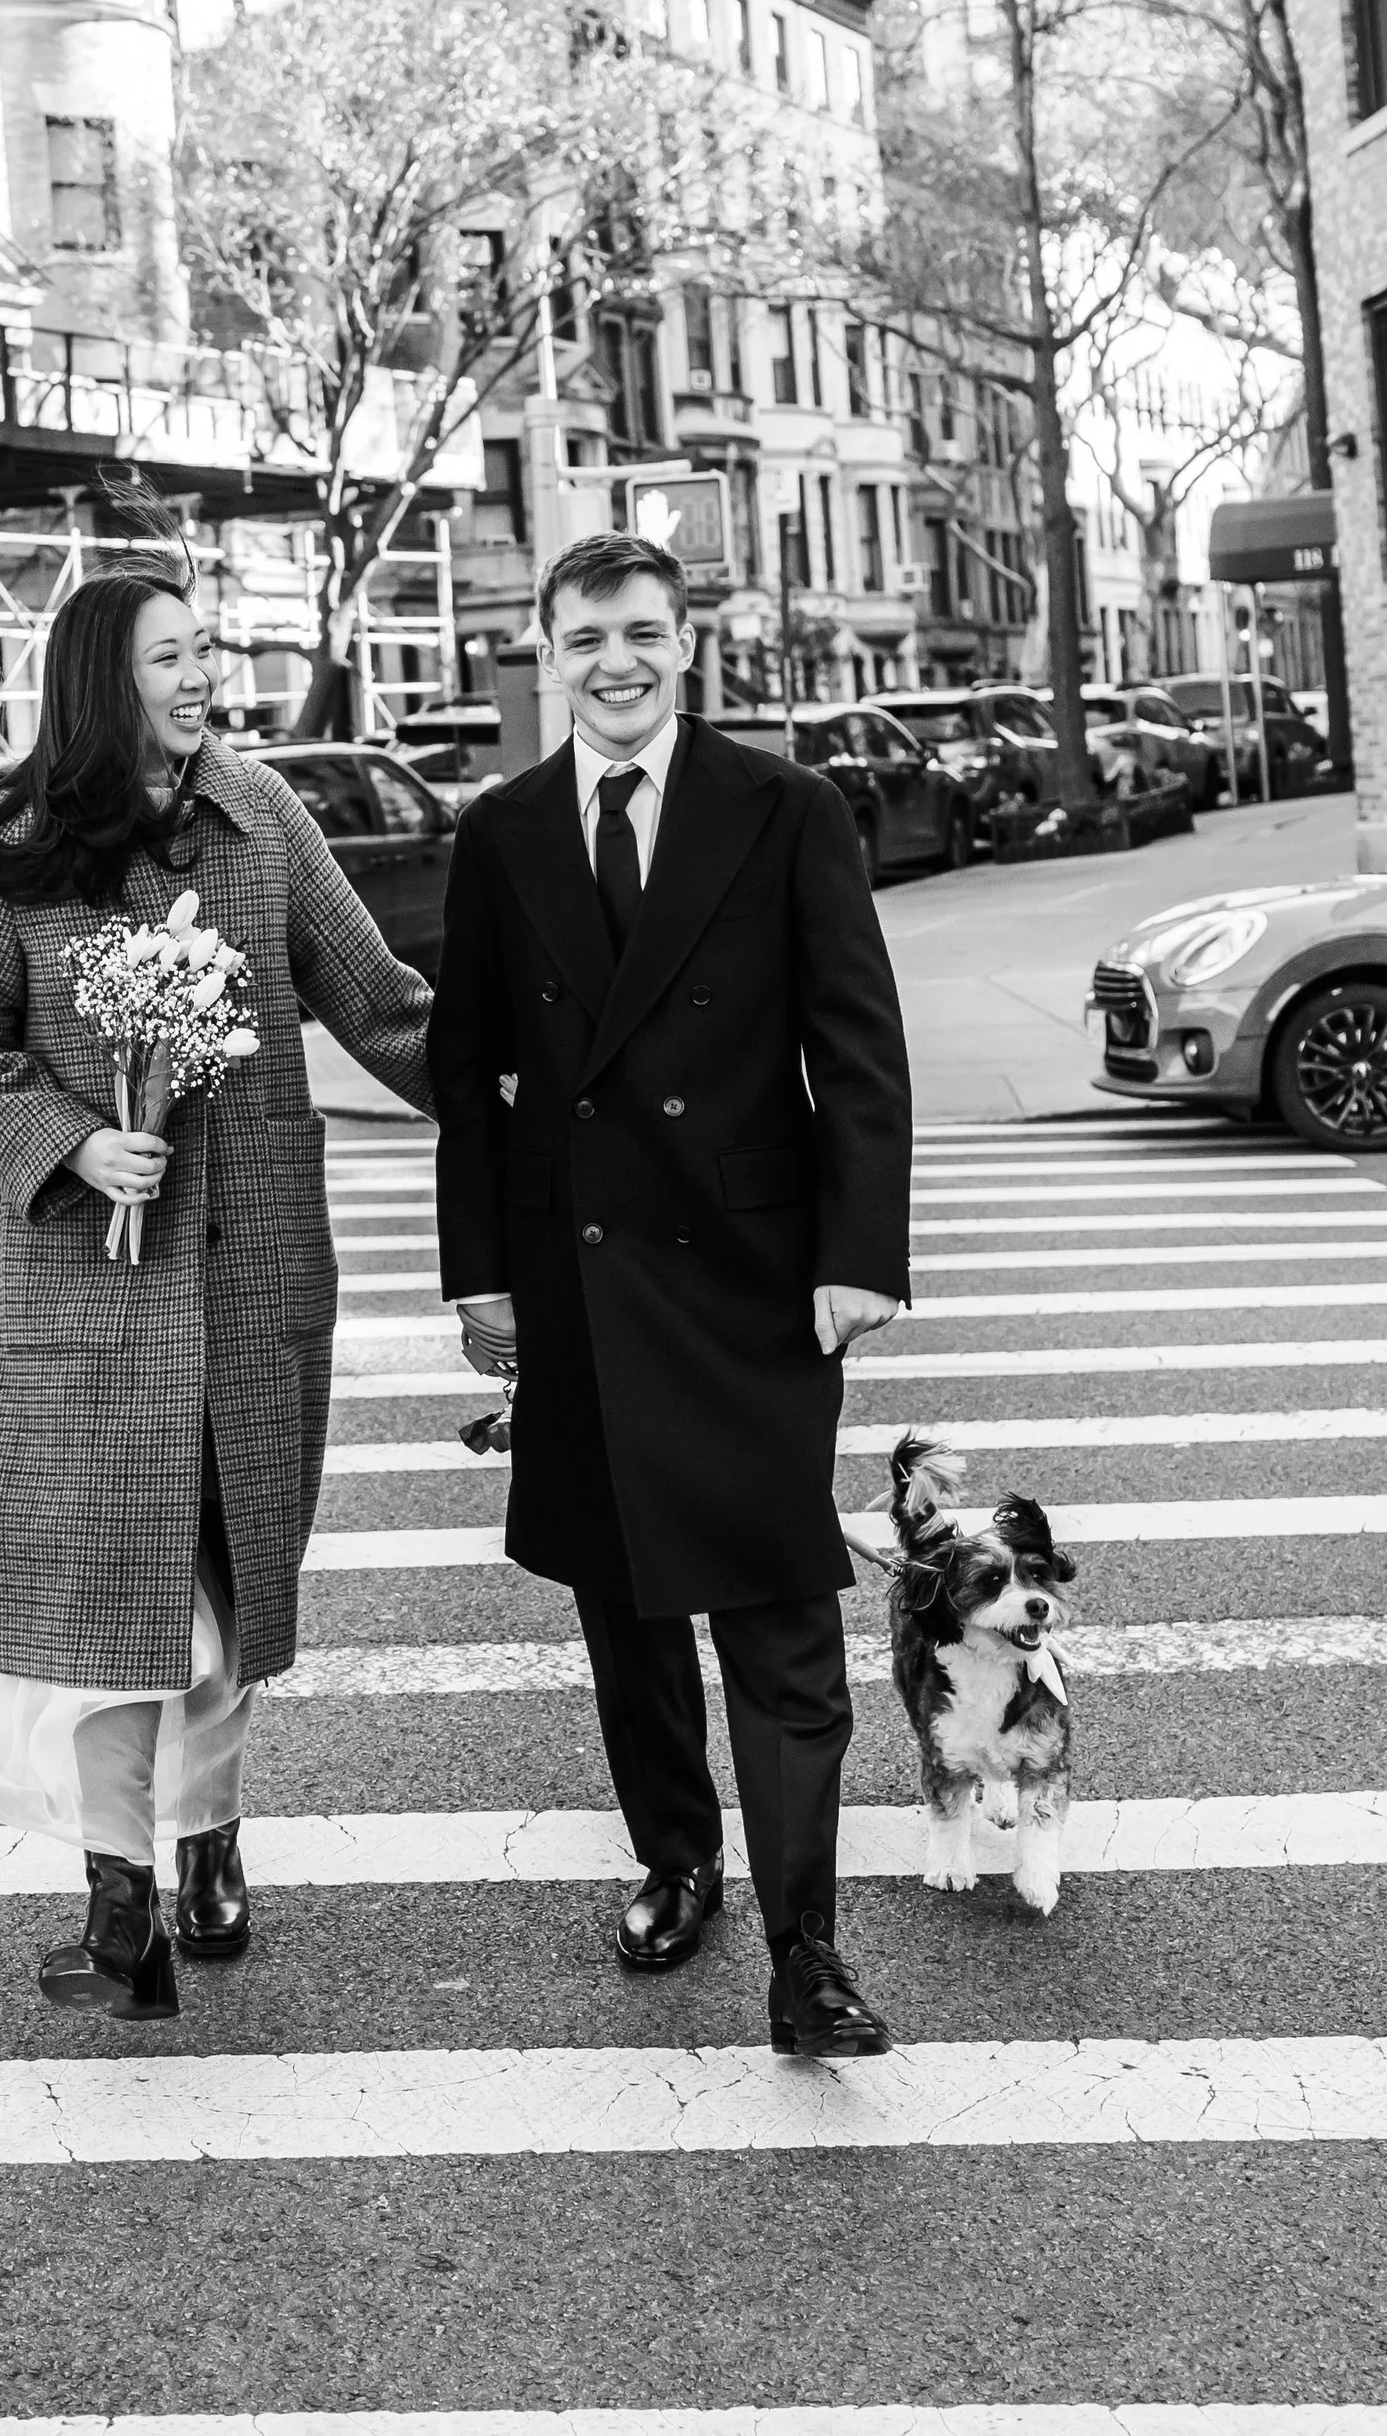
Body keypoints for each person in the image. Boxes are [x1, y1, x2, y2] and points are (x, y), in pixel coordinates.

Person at [0, 567, 433, 2018]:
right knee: (114, 1600)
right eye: (172, 656)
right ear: (105, 678)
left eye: (206, 650)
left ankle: (207, 1847)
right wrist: (80, 1139)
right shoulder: (14, 851)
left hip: (247, 1265)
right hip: (80, 1289)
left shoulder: (262, 814)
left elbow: (384, 1003)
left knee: (224, 1575)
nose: (200, 675)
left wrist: (536, 1101)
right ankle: (122, 1901)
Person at [428, 531, 912, 2060]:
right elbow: (472, 1088)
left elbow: (859, 1042)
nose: (614, 662)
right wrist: (481, 1282)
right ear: (546, 653)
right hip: (577, 1276)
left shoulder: (786, 808)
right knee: (625, 1610)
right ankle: (677, 1857)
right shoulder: (500, 831)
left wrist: (859, 1251)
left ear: (685, 642)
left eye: (641, 631)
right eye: (585, 639)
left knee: (779, 1625)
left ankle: (808, 1949)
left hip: (753, 1278)